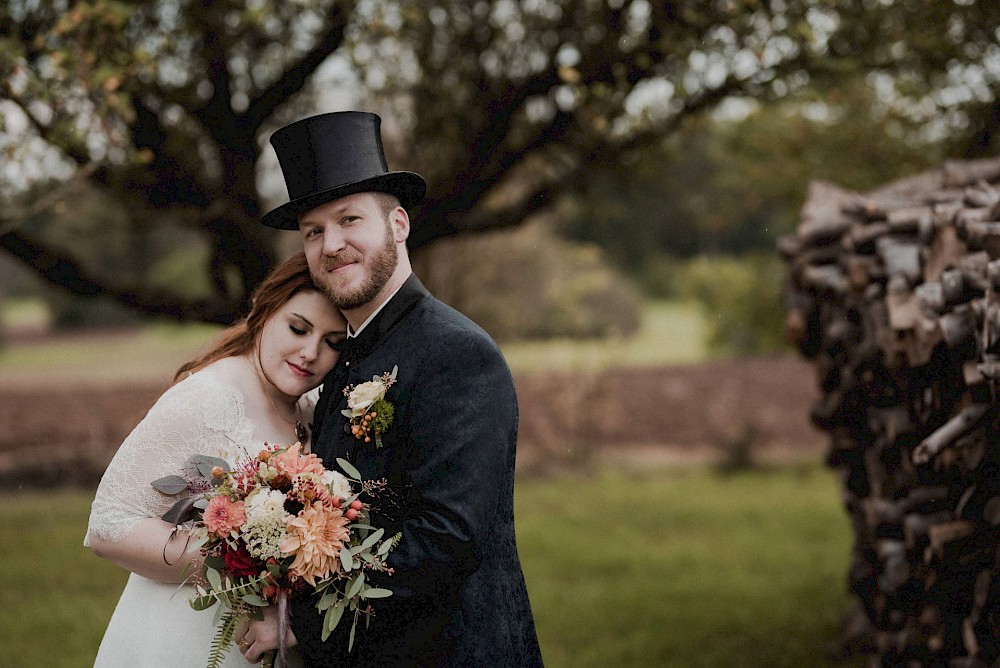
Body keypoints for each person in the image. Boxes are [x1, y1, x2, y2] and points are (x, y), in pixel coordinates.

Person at [239, 111, 543, 666]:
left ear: (399, 224)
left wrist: (301, 622)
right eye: (313, 231)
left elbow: (447, 540)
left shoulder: (457, 353)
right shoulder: (341, 356)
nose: (332, 245)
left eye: (350, 219)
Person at [85, 251, 347, 667]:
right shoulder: (208, 398)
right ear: (264, 314)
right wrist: (236, 563)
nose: (310, 352)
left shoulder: (313, 407)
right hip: (189, 640)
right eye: (298, 328)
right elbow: (108, 525)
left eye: (332, 342)